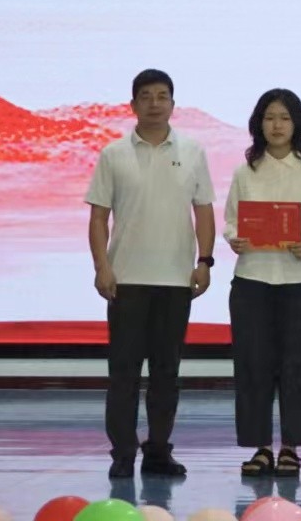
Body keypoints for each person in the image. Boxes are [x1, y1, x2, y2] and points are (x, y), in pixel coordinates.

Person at [85, 68, 216, 479]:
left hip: (176, 281)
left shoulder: (193, 151)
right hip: (126, 280)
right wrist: (102, 266)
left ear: (173, 104)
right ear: (133, 105)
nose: (155, 103)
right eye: (146, 96)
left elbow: (204, 211)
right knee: (123, 374)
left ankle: (158, 451)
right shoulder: (113, 154)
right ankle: (123, 453)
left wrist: (205, 261)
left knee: (166, 374)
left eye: (162, 96)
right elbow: (98, 217)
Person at [224, 88, 301, 477]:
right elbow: (231, 219)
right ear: (259, 124)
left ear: (297, 124)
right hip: (251, 278)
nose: (277, 125)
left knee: (295, 366)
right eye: (269, 118)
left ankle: (290, 447)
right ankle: (261, 447)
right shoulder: (246, 171)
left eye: (284, 118)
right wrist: (235, 238)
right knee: (253, 365)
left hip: (296, 279)